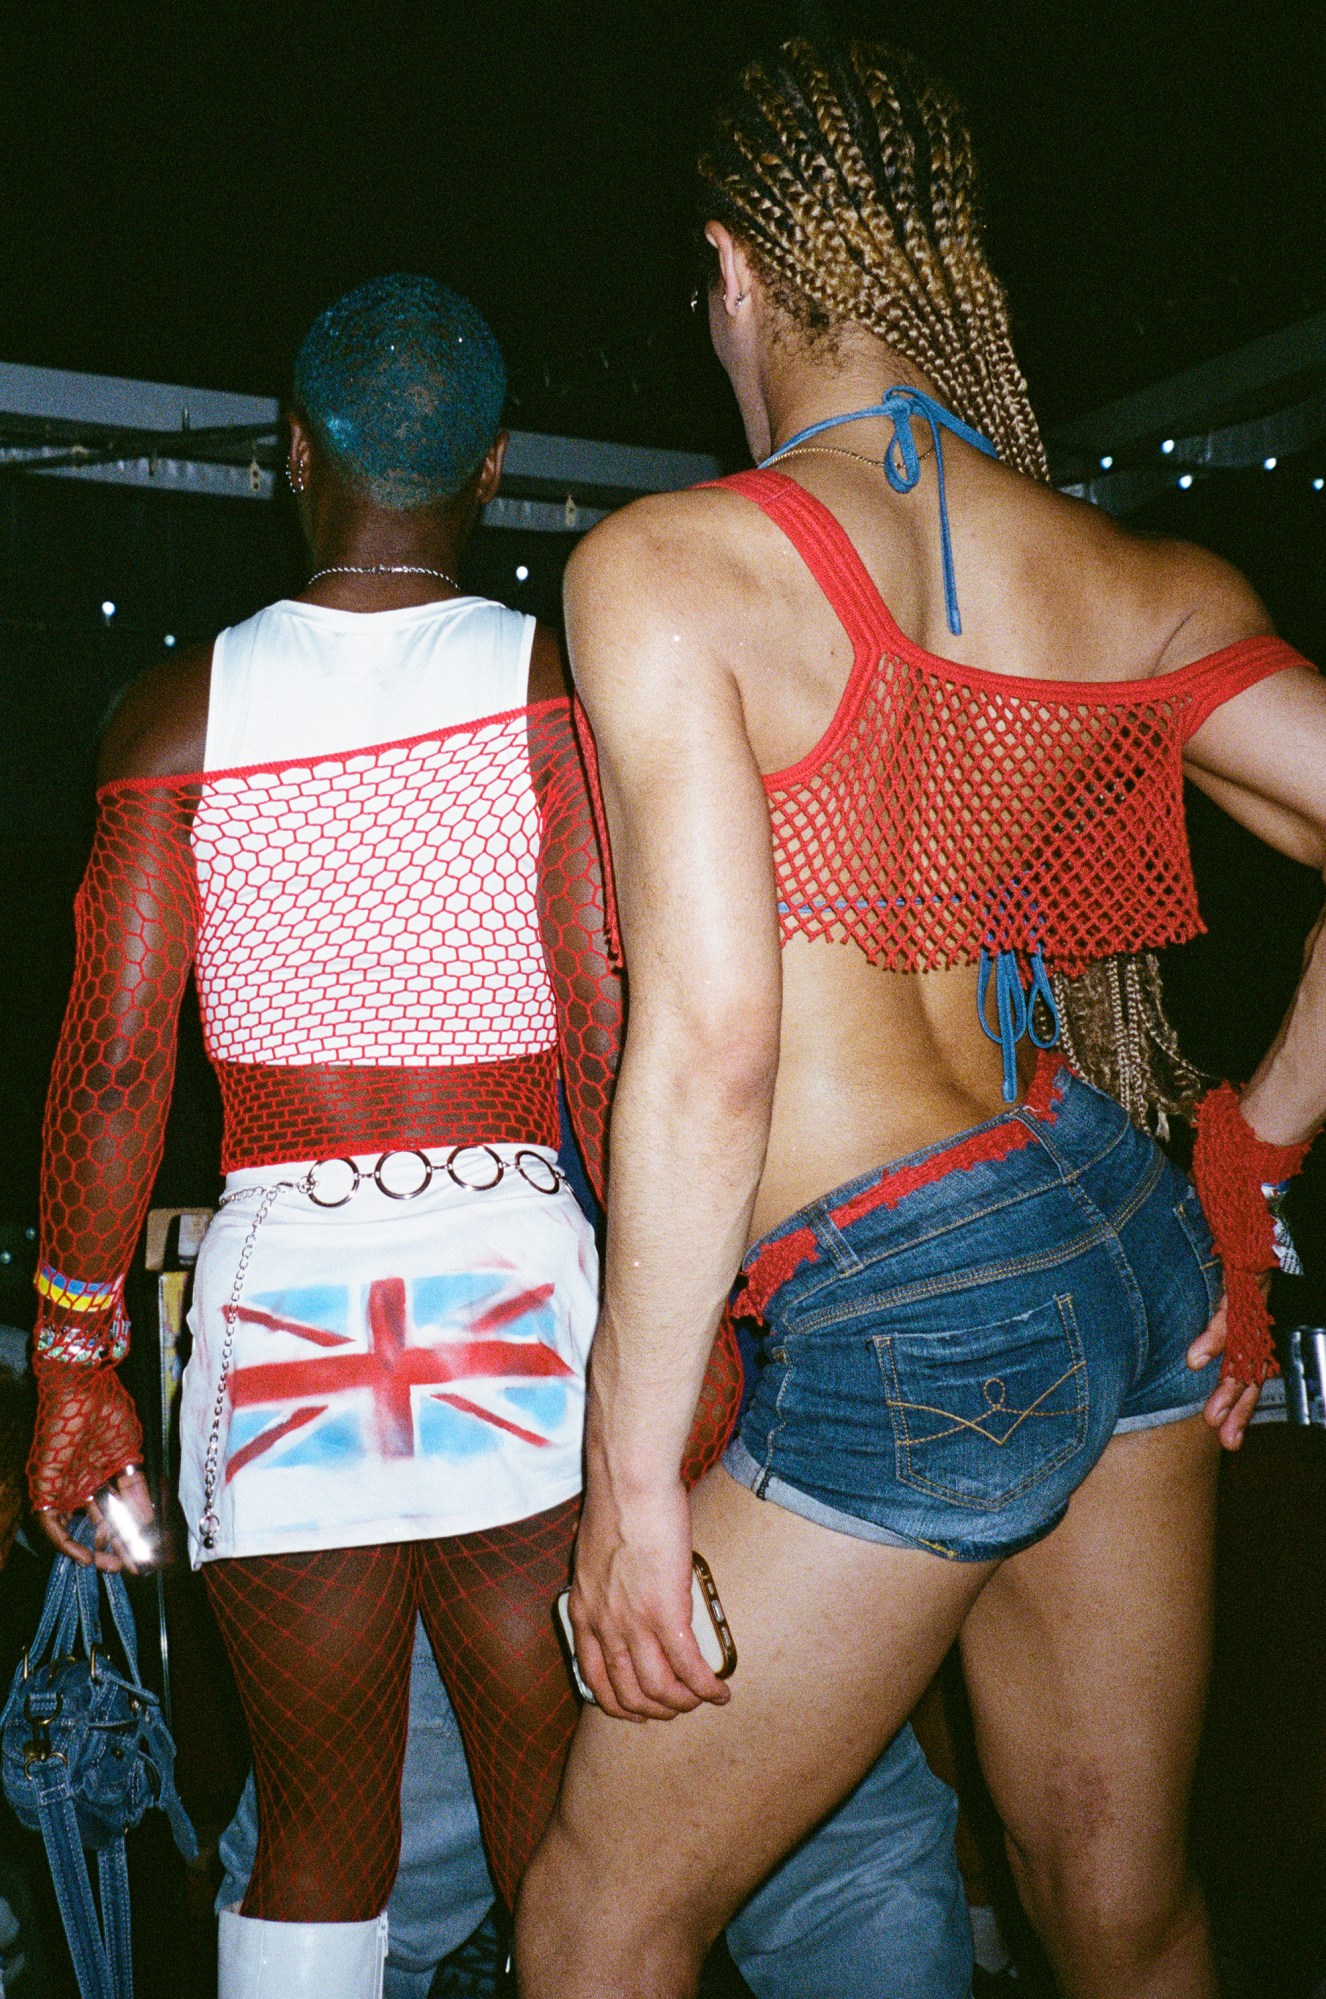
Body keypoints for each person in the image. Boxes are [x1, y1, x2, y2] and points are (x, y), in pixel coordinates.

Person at [25, 270, 972, 1999]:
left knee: (319, 1842)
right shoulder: (555, 691)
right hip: (524, 1304)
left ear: (288, 455)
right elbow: (621, 1031)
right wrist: (684, 1344)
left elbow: (109, 1066)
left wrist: (75, 1360)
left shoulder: (175, 718)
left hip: (283, 1308)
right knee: (564, 1834)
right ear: (494, 466)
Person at [516, 36, 1326, 1999]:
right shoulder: (1124, 574)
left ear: (733, 272)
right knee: (1122, 1909)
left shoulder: (672, 571)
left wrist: (633, 1494)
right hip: (1114, 1235)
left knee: (596, 1920)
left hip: (913, 1304)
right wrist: (1254, 1154)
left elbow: (716, 1046)